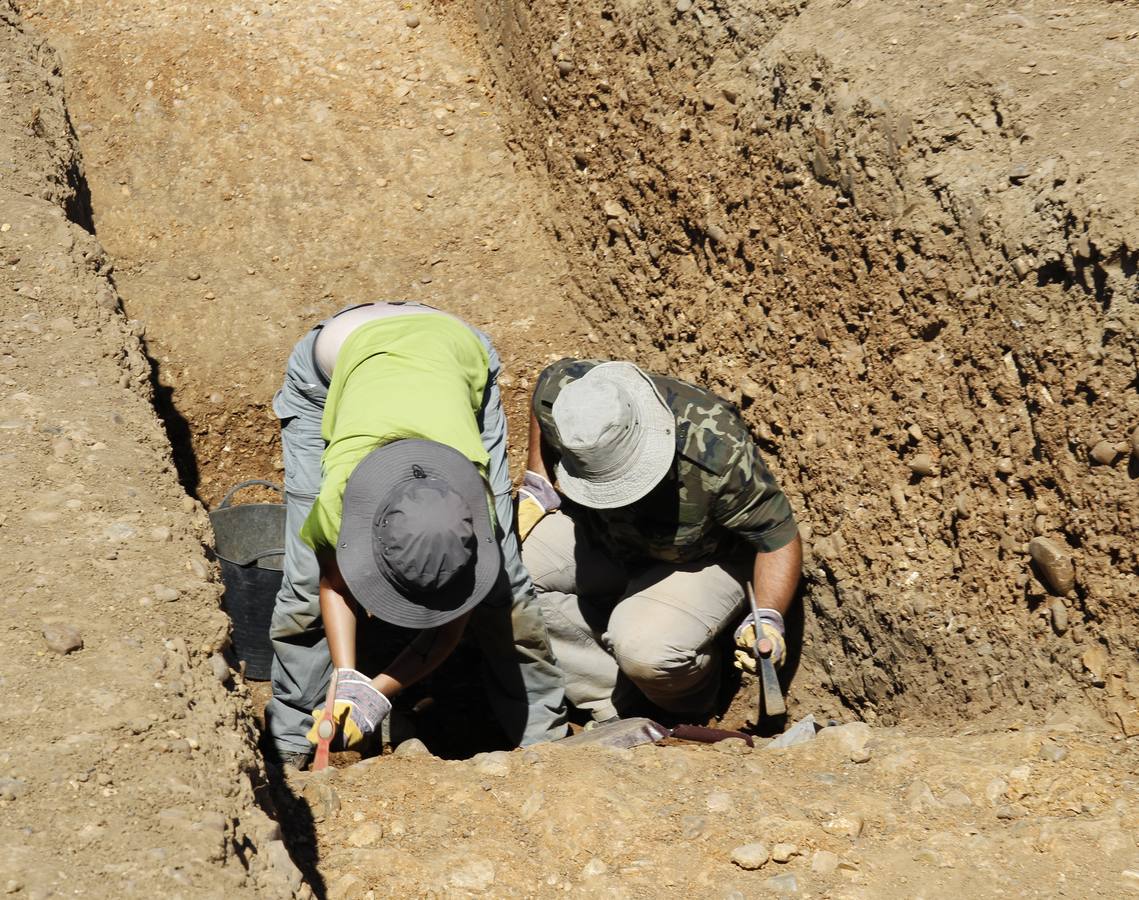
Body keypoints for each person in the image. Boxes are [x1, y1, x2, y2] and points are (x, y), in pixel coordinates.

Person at [265, 302, 567, 767]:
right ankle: (289, 739)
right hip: (332, 363)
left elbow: (451, 623)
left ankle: (543, 741)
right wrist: (348, 676)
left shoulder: (474, 505)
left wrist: (377, 693)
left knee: (504, 591)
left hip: (452, 353)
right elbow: (331, 582)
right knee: (304, 583)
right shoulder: (341, 500)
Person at [517, 359, 801, 724]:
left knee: (644, 648)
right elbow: (542, 396)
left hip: (698, 558)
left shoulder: (715, 449)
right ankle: (619, 703)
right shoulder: (571, 399)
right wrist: (537, 481)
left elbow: (775, 537)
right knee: (507, 572)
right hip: (608, 535)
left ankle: (689, 710)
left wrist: (767, 615)